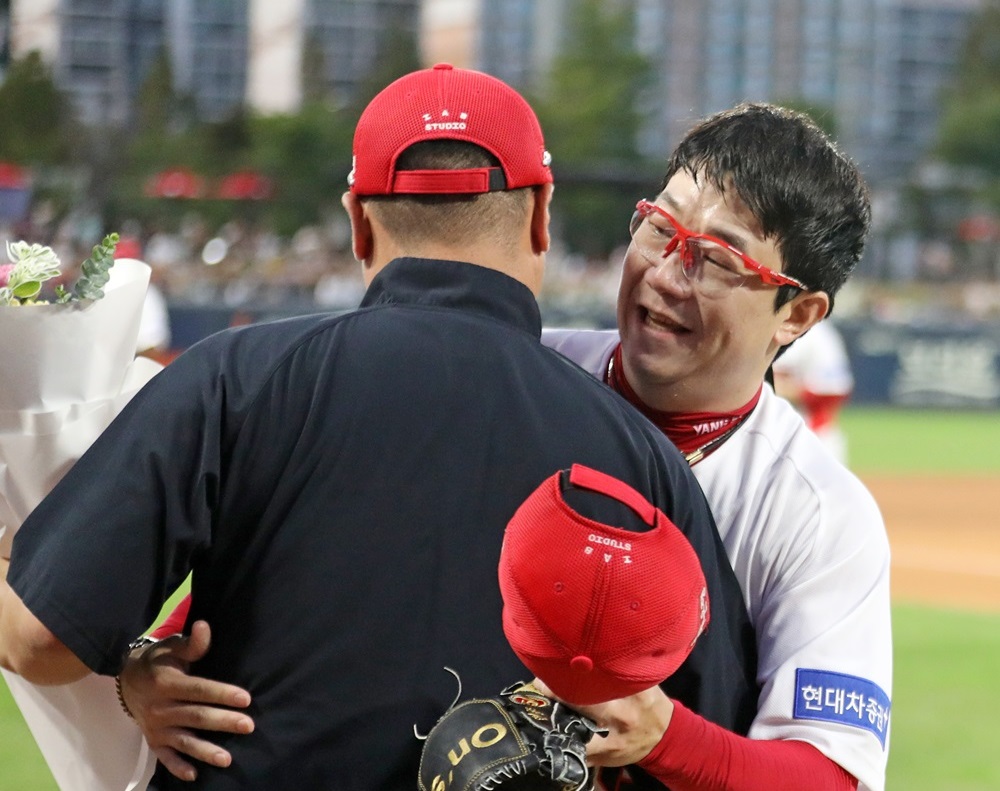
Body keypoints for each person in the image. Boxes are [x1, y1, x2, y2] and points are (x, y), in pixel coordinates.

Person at [0, 64, 758, 790]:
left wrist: (135, 671)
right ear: (541, 212)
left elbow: (40, 641)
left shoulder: (235, 376)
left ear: (358, 222)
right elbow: (700, 742)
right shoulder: (638, 455)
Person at [540, 103, 891, 791]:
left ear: (797, 314)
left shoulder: (817, 512)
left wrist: (667, 736)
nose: (667, 275)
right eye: (658, 227)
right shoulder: (526, 371)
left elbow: (829, 773)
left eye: (715, 257)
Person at [772, 317, 855, 463]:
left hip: (814, 440)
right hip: (772, 441)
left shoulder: (819, 335)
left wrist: (779, 388)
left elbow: (834, 389)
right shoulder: (762, 324)